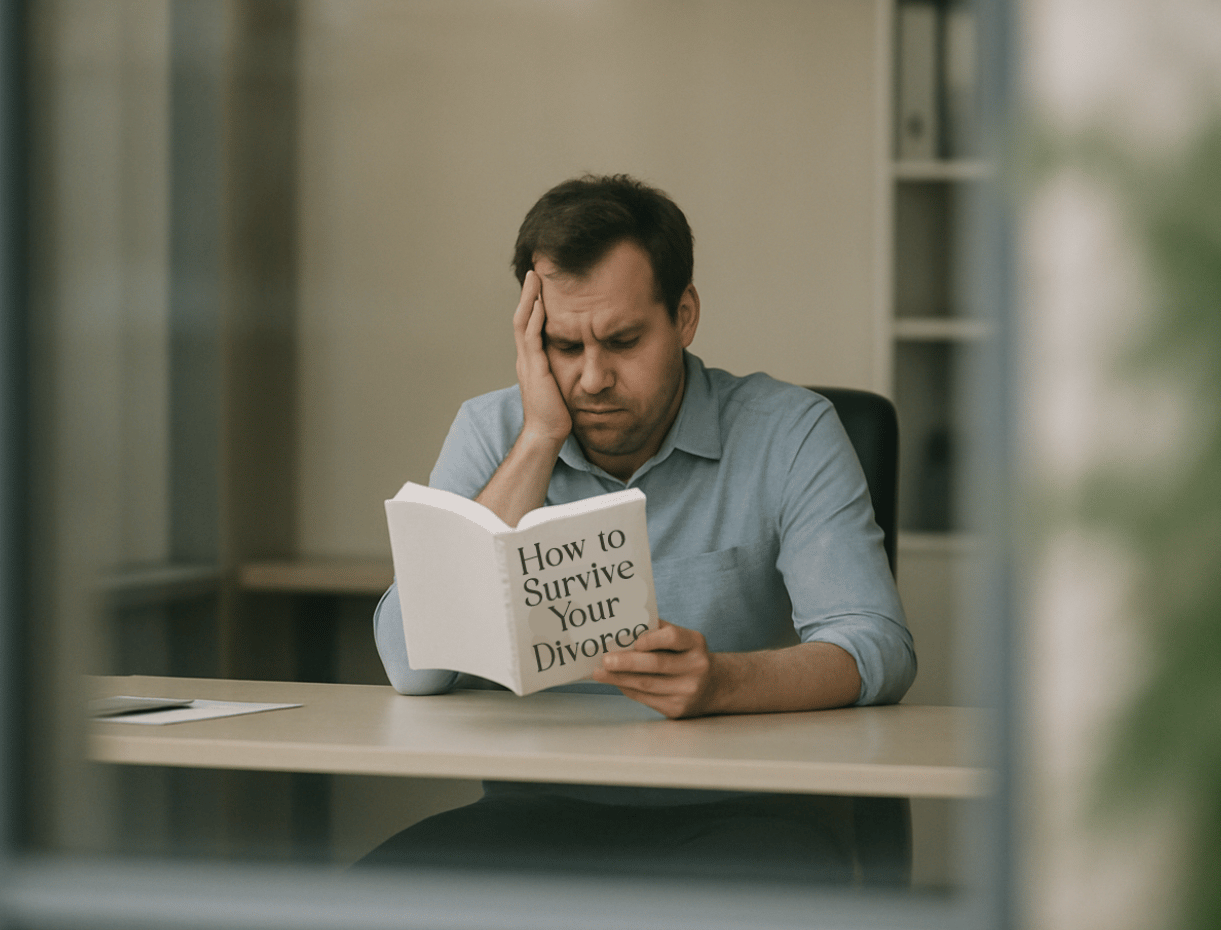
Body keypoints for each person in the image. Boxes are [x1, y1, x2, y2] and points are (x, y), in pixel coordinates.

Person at [362, 174, 915, 882]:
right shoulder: (493, 430)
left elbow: (877, 646)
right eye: (563, 346)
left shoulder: (791, 432)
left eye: (622, 341)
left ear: (683, 317)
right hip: (536, 814)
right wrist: (536, 440)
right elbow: (414, 665)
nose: (592, 378)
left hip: (747, 814)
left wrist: (723, 683)